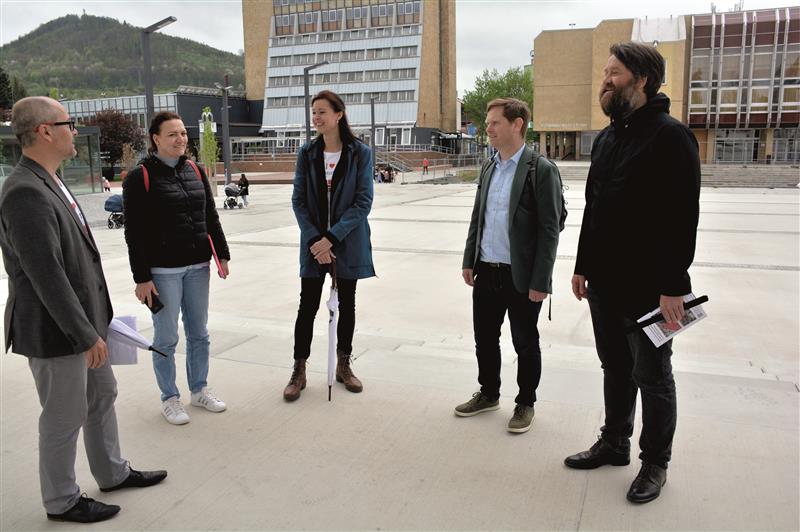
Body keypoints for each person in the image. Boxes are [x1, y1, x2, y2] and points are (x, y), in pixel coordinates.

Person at [0, 97, 167, 524]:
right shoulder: (24, 191)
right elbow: (46, 275)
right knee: (63, 414)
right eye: (68, 123)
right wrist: (84, 334)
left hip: (85, 322)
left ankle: (112, 472)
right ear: (44, 131)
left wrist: (99, 322)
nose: (75, 130)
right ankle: (61, 500)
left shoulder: (49, 179)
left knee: (102, 394)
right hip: (57, 330)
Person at [564, 42, 700, 504]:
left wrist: (673, 287)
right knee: (615, 368)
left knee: (653, 377)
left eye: (614, 73)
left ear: (641, 79)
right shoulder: (607, 138)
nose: (605, 80)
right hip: (604, 282)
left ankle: (655, 462)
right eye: (605, 72)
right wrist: (582, 265)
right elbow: (594, 207)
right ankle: (614, 442)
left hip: (650, 288)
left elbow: (682, 217)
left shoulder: (671, 136)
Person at [456, 98, 562, 434]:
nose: (487, 128)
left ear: (517, 124)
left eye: (494, 123)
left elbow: (550, 229)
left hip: (522, 275)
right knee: (485, 339)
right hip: (487, 270)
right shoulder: (489, 167)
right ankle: (488, 393)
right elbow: (479, 217)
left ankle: (526, 402)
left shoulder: (540, 169)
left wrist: (541, 280)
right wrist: (469, 259)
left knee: (525, 342)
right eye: (488, 123)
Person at [122, 111, 231, 425]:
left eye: (183, 133)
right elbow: (134, 233)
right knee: (166, 337)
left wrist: (222, 254)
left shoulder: (195, 170)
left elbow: (210, 216)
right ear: (156, 139)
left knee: (199, 334)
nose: (180, 139)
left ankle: (199, 390)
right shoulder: (140, 177)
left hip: (198, 266)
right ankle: (169, 398)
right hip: (163, 272)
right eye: (172, 134)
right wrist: (142, 278)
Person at [284, 90, 374, 401]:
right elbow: (298, 200)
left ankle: (343, 365)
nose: (316, 117)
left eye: (322, 111)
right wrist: (315, 241)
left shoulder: (359, 153)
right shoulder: (307, 153)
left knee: (346, 304)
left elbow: (363, 202)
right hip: (313, 246)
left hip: (346, 243)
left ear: (338, 114)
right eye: (314, 112)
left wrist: (331, 238)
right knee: (307, 306)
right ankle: (299, 369)